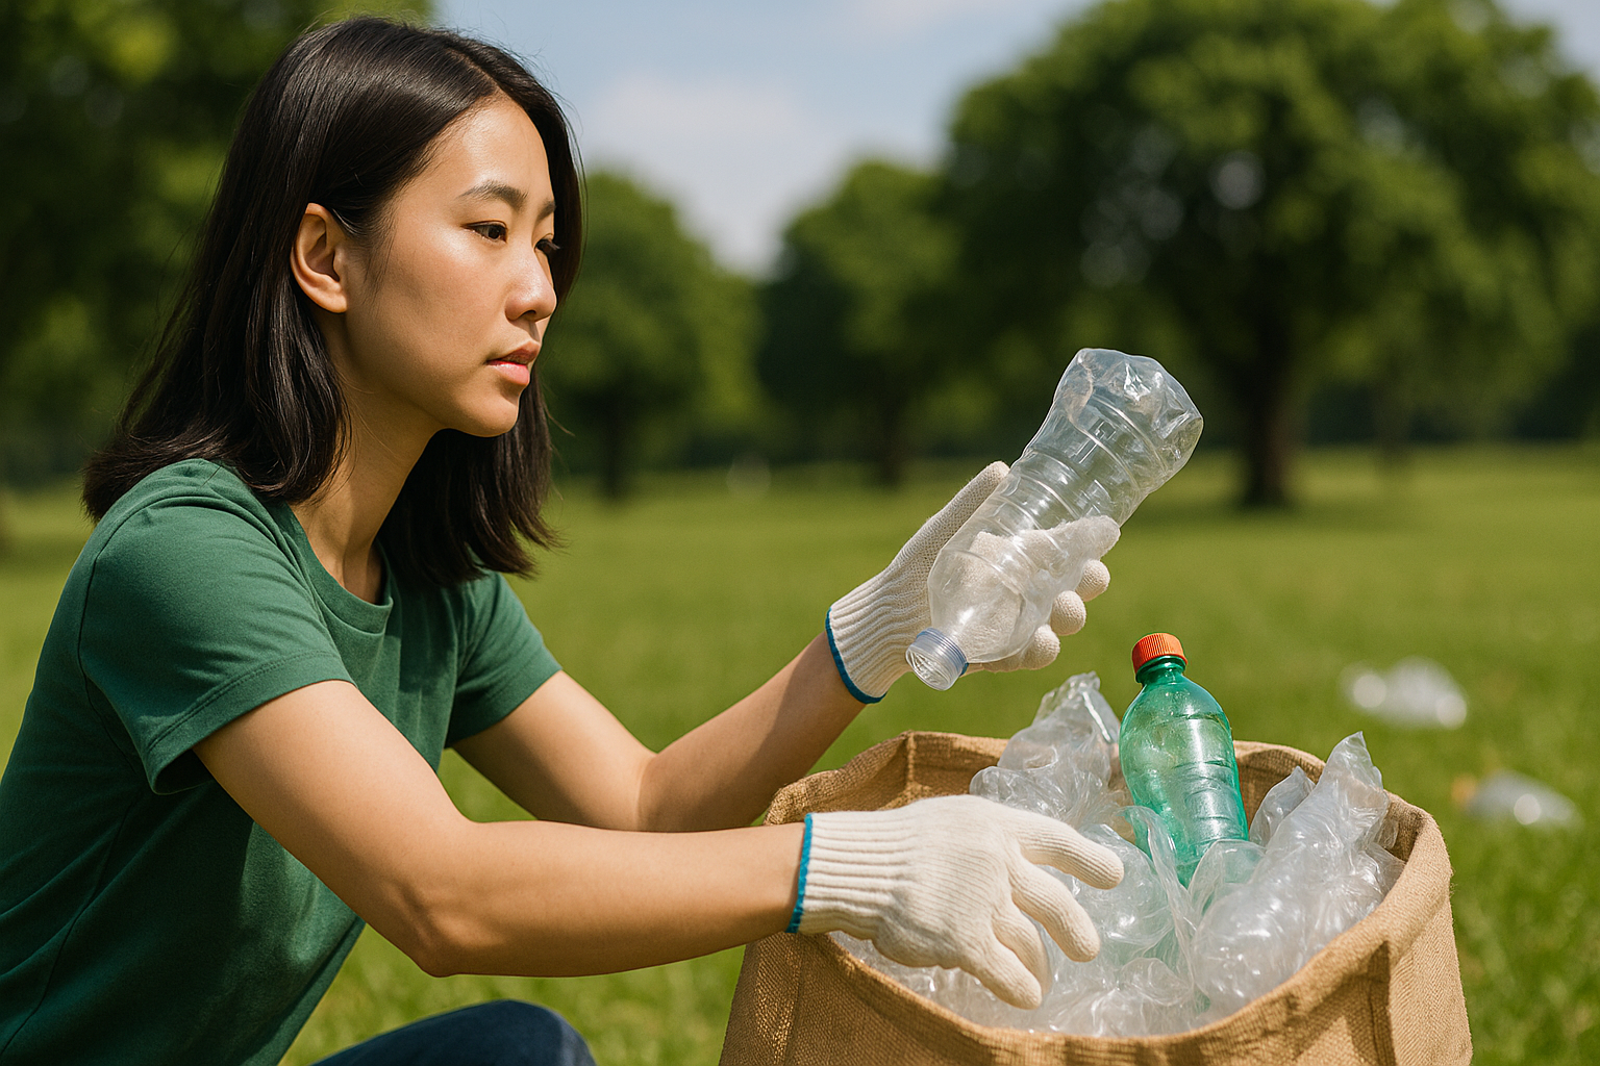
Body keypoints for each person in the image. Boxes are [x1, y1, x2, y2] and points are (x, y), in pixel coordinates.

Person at [0, 17, 1123, 1066]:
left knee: (516, 1053)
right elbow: (439, 892)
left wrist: (878, 633)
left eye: (543, 243)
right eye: (488, 231)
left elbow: (641, 806)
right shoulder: (185, 551)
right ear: (324, 258)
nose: (539, 290)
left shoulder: (430, 586)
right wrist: (852, 869)